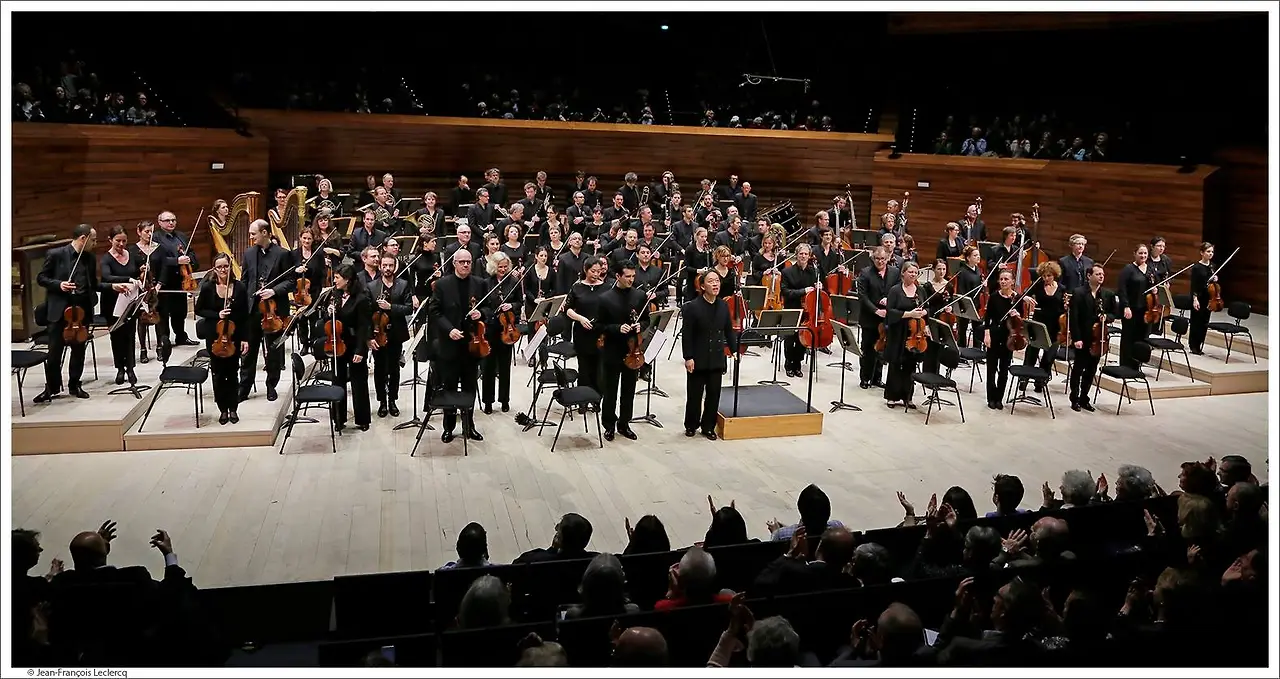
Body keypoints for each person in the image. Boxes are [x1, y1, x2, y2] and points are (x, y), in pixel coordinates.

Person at [35, 224, 105, 403]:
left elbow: (94, 284)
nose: (95, 243)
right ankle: (52, 387)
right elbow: (41, 278)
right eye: (93, 240)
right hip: (59, 311)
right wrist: (59, 284)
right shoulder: (56, 254)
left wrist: (114, 287)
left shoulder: (89, 258)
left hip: (81, 311)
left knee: (79, 350)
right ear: (83, 238)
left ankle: (75, 384)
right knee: (54, 352)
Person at [428, 249, 487, 443]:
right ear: (454, 263)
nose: (465, 265)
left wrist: (481, 313)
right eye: (462, 262)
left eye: (468, 262)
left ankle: (469, 426)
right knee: (450, 387)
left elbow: (488, 307)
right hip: (450, 345)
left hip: (472, 345)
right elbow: (434, 311)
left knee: (470, 387)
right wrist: (449, 329)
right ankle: (449, 427)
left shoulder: (480, 283)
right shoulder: (442, 284)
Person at [238, 219, 294, 403]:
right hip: (253, 310)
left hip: (274, 311)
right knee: (249, 352)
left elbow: (291, 281)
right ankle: (244, 388)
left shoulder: (283, 254)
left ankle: (271, 386)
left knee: (273, 352)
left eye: (253, 233)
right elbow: (245, 280)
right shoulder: (249, 253)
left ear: (264, 232)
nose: (251, 237)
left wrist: (274, 291)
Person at [681, 270, 740, 439]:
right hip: (697, 358)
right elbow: (687, 335)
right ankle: (691, 424)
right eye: (711, 281)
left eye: (717, 281)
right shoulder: (692, 307)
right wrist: (688, 357)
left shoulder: (723, 305)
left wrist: (734, 349)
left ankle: (708, 426)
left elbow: (728, 330)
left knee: (714, 395)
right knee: (694, 395)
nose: (715, 284)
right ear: (702, 286)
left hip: (716, 357)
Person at [597, 261, 653, 441]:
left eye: (633, 276)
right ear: (618, 276)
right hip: (613, 349)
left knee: (629, 390)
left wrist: (641, 326)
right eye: (627, 276)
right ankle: (609, 425)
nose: (631, 280)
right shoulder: (605, 298)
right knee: (610, 390)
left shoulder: (639, 296)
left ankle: (624, 423)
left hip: (633, 349)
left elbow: (646, 320)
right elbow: (599, 326)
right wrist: (616, 328)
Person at [194, 253, 248, 424]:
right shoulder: (208, 287)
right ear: (214, 269)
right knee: (218, 374)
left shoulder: (239, 287)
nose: (223, 270)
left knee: (232, 373)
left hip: (234, 336)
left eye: (226, 266)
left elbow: (244, 315)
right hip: (215, 336)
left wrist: (245, 338)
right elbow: (199, 310)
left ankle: (233, 408)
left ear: (230, 267)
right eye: (219, 267)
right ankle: (222, 409)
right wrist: (217, 314)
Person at [321, 264, 372, 432]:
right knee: (338, 381)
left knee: (359, 382)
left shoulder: (361, 299)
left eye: (337, 278)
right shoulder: (334, 295)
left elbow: (364, 327)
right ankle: (338, 418)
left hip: (354, 343)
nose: (334, 280)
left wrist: (360, 351)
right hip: (337, 343)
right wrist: (328, 312)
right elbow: (328, 320)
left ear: (347, 280)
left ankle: (363, 419)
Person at [98, 225, 146, 386]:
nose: (121, 244)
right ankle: (120, 368)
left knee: (130, 335)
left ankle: (131, 368)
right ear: (110, 240)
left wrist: (141, 271)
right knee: (116, 337)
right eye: (118, 240)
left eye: (124, 241)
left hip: (130, 302)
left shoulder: (131, 255)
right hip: (112, 304)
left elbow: (137, 271)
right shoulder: (106, 259)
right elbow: (107, 277)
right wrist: (128, 279)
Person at [369, 254, 412, 418]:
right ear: (380, 266)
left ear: (395, 267)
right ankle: (382, 402)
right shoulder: (372, 286)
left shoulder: (403, 285)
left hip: (396, 333)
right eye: (385, 265)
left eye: (390, 265)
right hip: (378, 333)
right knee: (379, 369)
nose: (387, 268)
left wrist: (391, 307)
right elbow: (367, 311)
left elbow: (409, 308)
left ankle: (393, 400)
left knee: (394, 369)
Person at [882, 261, 929, 410]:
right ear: (903, 273)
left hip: (915, 334)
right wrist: (909, 314)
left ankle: (908, 397)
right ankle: (892, 396)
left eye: (915, 272)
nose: (913, 275)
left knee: (910, 365)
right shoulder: (895, 290)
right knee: (895, 364)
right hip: (898, 331)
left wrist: (924, 313)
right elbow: (890, 312)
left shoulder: (920, 290)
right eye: (910, 272)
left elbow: (927, 308)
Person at [563, 255, 609, 402]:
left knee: (599, 368)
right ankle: (582, 400)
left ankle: (597, 399)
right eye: (593, 271)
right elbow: (568, 309)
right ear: (585, 270)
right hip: (582, 332)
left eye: (598, 271)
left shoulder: (606, 287)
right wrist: (580, 318)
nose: (596, 274)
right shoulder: (577, 287)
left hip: (600, 334)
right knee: (584, 368)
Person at [480, 252, 521, 414]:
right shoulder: (486, 283)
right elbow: (483, 306)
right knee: (488, 367)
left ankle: (504, 400)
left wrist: (511, 306)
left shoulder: (514, 282)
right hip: (491, 328)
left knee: (505, 367)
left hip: (508, 329)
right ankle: (488, 402)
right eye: (500, 267)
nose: (503, 269)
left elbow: (520, 302)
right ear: (493, 266)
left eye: (505, 266)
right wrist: (491, 314)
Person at [855, 247, 901, 389]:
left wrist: (889, 299)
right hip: (870, 318)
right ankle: (865, 378)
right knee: (868, 349)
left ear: (887, 259)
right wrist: (876, 310)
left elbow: (898, 291)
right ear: (873, 259)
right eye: (877, 259)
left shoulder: (895, 272)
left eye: (883, 259)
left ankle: (877, 378)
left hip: (886, 318)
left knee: (881, 348)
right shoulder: (865, 273)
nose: (880, 261)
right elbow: (862, 296)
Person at [1018, 260, 1066, 393]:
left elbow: (1064, 307)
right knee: (1031, 354)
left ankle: (1040, 382)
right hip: (1039, 324)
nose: (1046, 278)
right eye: (1044, 276)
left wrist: (1067, 307)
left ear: (1054, 275)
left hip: (1055, 326)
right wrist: (1025, 298)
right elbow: (1022, 295)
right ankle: (1024, 379)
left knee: (1048, 357)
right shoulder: (1037, 285)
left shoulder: (1062, 288)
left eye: (1049, 276)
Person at [154, 210, 199, 347]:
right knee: (163, 312)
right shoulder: (155, 238)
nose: (171, 223)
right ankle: (164, 340)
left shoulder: (181, 236)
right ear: (160, 222)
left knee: (180, 311)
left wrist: (189, 259)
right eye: (167, 220)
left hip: (181, 279)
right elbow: (157, 259)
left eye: (173, 220)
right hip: (164, 280)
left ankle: (181, 337)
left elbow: (191, 252)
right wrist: (176, 261)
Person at [1068, 264, 1109, 412]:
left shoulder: (1106, 294)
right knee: (1078, 369)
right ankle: (1074, 398)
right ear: (1089, 276)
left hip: (1098, 338)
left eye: (1102, 274)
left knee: (1091, 370)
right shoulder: (1078, 293)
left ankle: (1084, 398)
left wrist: (1107, 317)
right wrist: (1076, 338)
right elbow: (1074, 318)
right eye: (1098, 274)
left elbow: (1114, 313)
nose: (1101, 276)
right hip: (1083, 337)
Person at [781, 243, 821, 377]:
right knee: (790, 338)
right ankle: (788, 363)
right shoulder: (787, 272)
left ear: (809, 256)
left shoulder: (814, 272)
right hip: (791, 309)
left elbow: (817, 291)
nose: (803, 256)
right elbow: (785, 292)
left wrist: (819, 287)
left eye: (806, 254)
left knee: (803, 338)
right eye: (801, 254)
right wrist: (803, 291)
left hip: (807, 311)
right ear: (796, 255)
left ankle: (797, 364)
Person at [983, 269, 1020, 410]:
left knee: (1004, 370)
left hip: (1009, 337)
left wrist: (1016, 315)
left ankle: (999, 398)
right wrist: (987, 335)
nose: (1003, 281)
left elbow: (1021, 321)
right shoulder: (994, 296)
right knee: (991, 369)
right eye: (1001, 279)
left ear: (1012, 281)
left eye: (1006, 279)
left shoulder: (1017, 299)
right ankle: (991, 398)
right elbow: (988, 317)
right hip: (994, 334)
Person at [129, 220, 163, 364]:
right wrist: (140, 270)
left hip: (156, 288)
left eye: (151, 232)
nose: (149, 234)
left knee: (159, 318)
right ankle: (143, 349)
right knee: (142, 319)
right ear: (139, 232)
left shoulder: (158, 248)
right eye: (146, 231)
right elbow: (131, 269)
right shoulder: (133, 250)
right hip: (141, 288)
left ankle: (160, 347)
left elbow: (164, 267)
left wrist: (159, 284)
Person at [1116, 243, 1153, 369]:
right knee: (1128, 337)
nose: (1143, 256)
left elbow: (1155, 285)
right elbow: (1122, 289)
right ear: (1134, 254)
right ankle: (1125, 365)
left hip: (1146, 310)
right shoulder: (1128, 269)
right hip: (1131, 309)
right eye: (1140, 253)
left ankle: (1137, 364)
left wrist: (1155, 290)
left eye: (1145, 253)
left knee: (1142, 337)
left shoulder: (1150, 270)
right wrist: (1126, 306)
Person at [291, 227, 326, 355]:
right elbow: (289, 272)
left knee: (313, 317)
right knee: (301, 318)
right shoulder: (294, 254)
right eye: (304, 238)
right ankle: (304, 344)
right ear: (300, 238)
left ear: (313, 239)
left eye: (309, 238)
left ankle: (314, 342)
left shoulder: (318, 254)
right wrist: (296, 270)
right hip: (300, 291)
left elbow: (322, 272)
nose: (306, 241)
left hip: (314, 289)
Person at [1188, 242, 1217, 355]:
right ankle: (1193, 345)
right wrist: (1195, 299)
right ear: (1201, 253)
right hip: (1199, 297)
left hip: (1208, 298)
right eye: (1208, 251)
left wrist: (1215, 279)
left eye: (1212, 252)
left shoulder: (1212, 266)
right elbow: (1194, 285)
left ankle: (1200, 344)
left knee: (1205, 322)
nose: (1210, 254)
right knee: (1196, 322)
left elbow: (1212, 284)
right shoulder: (1197, 267)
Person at [953, 245, 985, 348]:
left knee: (978, 328)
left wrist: (983, 285)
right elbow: (961, 290)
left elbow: (979, 287)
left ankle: (977, 350)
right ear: (968, 258)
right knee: (962, 329)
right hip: (966, 304)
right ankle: (962, 351)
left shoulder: (978, 269)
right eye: (975, 255)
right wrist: (964, 304)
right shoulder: (962, 272)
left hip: (977, 304)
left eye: (978, 255)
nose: (978, 257)